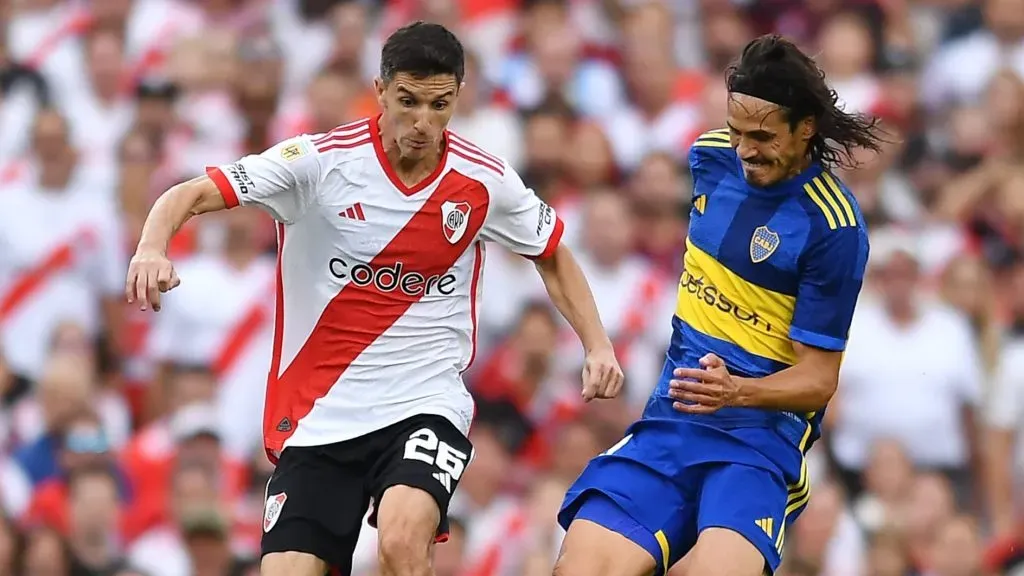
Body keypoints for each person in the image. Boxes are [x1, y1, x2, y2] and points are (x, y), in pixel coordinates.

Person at [124, 21, 624, 576]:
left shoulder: (484, 181)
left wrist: (597, 344)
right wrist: (152, 247)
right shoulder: (319, 163)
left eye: (440, 105)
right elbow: (191, 193)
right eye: (408, 101)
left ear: (459, 96)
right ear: (380, 90)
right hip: (320, 413)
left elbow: (552, 253)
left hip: (423, 400)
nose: (423, 122)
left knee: (402, 541)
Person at [554, 34, 884, 576]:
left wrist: (737, 391)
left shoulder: (834, 228)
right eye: (736, 132)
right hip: (671, 420)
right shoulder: (709, 157)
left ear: (806, 128)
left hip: (757, 444)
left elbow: (819, 379)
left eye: (763, 136)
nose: (745, 150)